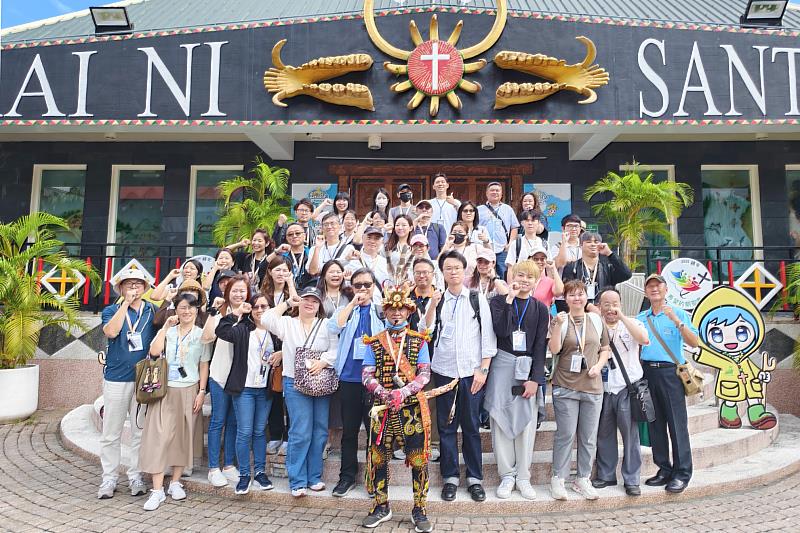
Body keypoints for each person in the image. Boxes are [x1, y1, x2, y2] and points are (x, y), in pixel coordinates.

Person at [361, 284, 433, 532]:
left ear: (409, 312)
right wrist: (383, 392)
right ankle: (381, 506)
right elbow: (366, 374)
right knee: (378, 459)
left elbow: (425, 374)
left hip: (411, 410)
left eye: (401, 309)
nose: (396, 313)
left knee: (418, 460)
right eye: (392, 309)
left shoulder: (419, 341)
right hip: (382, 409)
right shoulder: (374, 342)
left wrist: (403, 392)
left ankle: (419, 508)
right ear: (385, 312)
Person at [429, 250, 496, 503]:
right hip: (444, 372)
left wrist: (483, 370)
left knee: (471, 427)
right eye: (448, 268)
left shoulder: (476, 299)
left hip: (471, 373)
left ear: (464, 270)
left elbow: (488, 337)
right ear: (442, 272)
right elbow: (426, 331)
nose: (453, 272)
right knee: (446, 428)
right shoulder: (439, 301)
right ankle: (450, 478)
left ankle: (474, 479)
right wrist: (431, 305)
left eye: (457, 267)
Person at [262, 287, 339, 497]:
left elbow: (335, 349)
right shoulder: (288, 323)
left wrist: (323, 362)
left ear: (319, 305)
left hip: (320, 380)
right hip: (294, 382)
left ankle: (314, 477)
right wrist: (288, 303)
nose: (310, 304)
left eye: (314, 301)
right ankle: (297, 480)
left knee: (320, 430)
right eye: (306, 299)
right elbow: (267, 318)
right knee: (300, 431)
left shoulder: (326, 324)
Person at [140, 292, 211, 511]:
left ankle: (175, 482)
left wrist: (201, 391)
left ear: (197, 310)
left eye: (191, 307)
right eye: (182, 307)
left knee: (182, 436)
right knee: (158, 437)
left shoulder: (202, 335)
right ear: (176, 310)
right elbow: (154, 352)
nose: (187, 311)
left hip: (189, 389)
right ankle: (157, 490)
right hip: (164, 389)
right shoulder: (168, 332)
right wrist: (165, 327)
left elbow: (204, 365)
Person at [486, 261, 549, 500]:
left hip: (527, 367)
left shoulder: (540, 308)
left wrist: (536, 379)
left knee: (526, 423)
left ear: (536, 281)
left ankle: (523, 476)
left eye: (529, 277)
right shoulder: (498, 302)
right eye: (520, 275)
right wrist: (509, 299)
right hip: (502, 365)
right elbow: (501, 331)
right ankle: (506, 475)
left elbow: (540, 346)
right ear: (512, 276)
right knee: (500, 418)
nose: (524, 280)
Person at [97, 268, 158, 499]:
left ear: (145, 288)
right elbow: (111, 332)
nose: (134, 287)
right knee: (111, 432)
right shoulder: (111, 310)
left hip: (143, 379)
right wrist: (125, 305)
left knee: (139, 431)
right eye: (128, 284)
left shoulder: (152, 310)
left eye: (138, 284)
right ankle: (109, 478)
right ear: (120, 288)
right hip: (116, 378)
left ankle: (135, 475)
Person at [548, 280, 610, 501]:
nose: (577, 298)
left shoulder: (596, 319)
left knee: (588, 437)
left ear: (586, 296)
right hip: (566, 385)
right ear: (565, 298)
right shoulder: (561, 320)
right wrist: (557, 326)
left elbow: (605, 349)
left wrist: (599, 366)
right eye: (572, 295)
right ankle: (558, 478)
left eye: (581, 294)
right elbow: (554, 349)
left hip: (592, 386)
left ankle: (583, 478)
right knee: (565, 434)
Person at [638, 273, 700, 494]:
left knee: (676, 424)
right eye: (650, 286)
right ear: (646, 291)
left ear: (666, 289)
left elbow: (694, 342)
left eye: (658, 285)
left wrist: (676, 320)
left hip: (670, 373)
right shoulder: (642, 317)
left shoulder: (678, 313)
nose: (654, 289)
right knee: (655, 424)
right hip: (647, 373)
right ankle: (663, 469)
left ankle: (682, 473)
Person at [327, 269, 384, 497]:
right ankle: (347, 477)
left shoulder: (381, 311)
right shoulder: (346, 310)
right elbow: (334, 326)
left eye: (367, 284)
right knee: (349, 431)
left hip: (374, 380)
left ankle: (376, 477)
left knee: (374, 432)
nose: (362, 289)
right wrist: (352, 303)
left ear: (373, 286)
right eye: (358, 285)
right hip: (349, 378)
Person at [214, 293, 276, 495]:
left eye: (264, 306)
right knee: (244, 431)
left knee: (259, 431)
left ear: (270, 308)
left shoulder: (276, 331)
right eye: (256, 306)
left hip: (265, 389)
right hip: (245, 388)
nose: (259, 310)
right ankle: (244, 475)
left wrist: (281, 353)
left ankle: (259, 472)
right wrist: (237, 312)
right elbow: (221, 331)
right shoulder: (243, 328)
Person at [593, 288, 650, 496]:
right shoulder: (595, 326)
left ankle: (632, 479)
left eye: (615, 303)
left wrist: (623, 317)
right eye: (606, 304)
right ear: (599, 306)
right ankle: (606, 475)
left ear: (621, 304)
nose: (611, 308)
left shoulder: (633, 323)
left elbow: (644, 339)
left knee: (630, 436)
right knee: (604, 434)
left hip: (628, 388)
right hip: (604, 389)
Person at [201, 275, 250, 488]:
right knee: (218, 420)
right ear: (227, 292)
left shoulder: (250, 313)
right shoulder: (221, 312)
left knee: (233, 422)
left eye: (242, 290)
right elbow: (206, 337)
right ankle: (213, 468)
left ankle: (229, 465)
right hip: (219, 374)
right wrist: (214, 311)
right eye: (234, 290)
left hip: (239, 377)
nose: (238, 294)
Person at [561, 232, 632, 311]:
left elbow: (627, 274)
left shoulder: (607, 268)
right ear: (581, 246)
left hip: (604, 311)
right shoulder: (572, 267)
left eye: (596, 242)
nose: (593, 244)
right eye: (588, 242)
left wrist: (609, 254)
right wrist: (589, 306)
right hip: (580, 311)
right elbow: (568, 291)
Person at [477, 182, 519, 280]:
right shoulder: (479, 210)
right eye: (492, 190)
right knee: (483, 275)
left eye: (497, 190)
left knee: (503, 275)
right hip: (484, 249)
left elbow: (514, 227)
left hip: (502, 249)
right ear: (487, 193)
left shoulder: (508, 209)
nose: (495, 192)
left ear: (501, 194)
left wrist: (510, 243)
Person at [505, 210, 551, 278]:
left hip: (541, 282)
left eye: (533, 220)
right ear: (522, 223)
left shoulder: (544, 244)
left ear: (539, 223)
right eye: (527, 220)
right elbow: (510, 268)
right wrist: (511, 284)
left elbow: (549, 267)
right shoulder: (516, 244)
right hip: (521, 282)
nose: (530, 223)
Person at [307, 212, 355, 276]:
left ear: (340, 226)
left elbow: (350, 272)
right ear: (322, 228)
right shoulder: (314, 249)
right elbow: (313, 271)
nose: (329, 227)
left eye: (332, 223)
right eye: (326, 224)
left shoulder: (349, 248)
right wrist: (317, 248)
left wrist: (321, 269)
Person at [351, 226, 391, 290]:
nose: (372, 241)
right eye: (369, 238)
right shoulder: (353, 260)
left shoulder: (385, 263)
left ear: (381, 241)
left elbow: (389, 286)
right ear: (362, 238)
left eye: (376, 238)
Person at [280, 222, 313, 288]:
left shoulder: (312, 254)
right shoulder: (281, 256)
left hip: (309, 291)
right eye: (290, 234)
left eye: (297, 233)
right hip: (287, 290)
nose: (294, 236)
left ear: (304, 235)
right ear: (286, 237)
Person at [386, 214, 414, 283]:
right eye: (397, 225)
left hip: (411, 284)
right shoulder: (388, 247)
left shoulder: (416, 246)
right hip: (392, 285)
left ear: (411, 228)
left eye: (404, 225)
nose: (400, 228)